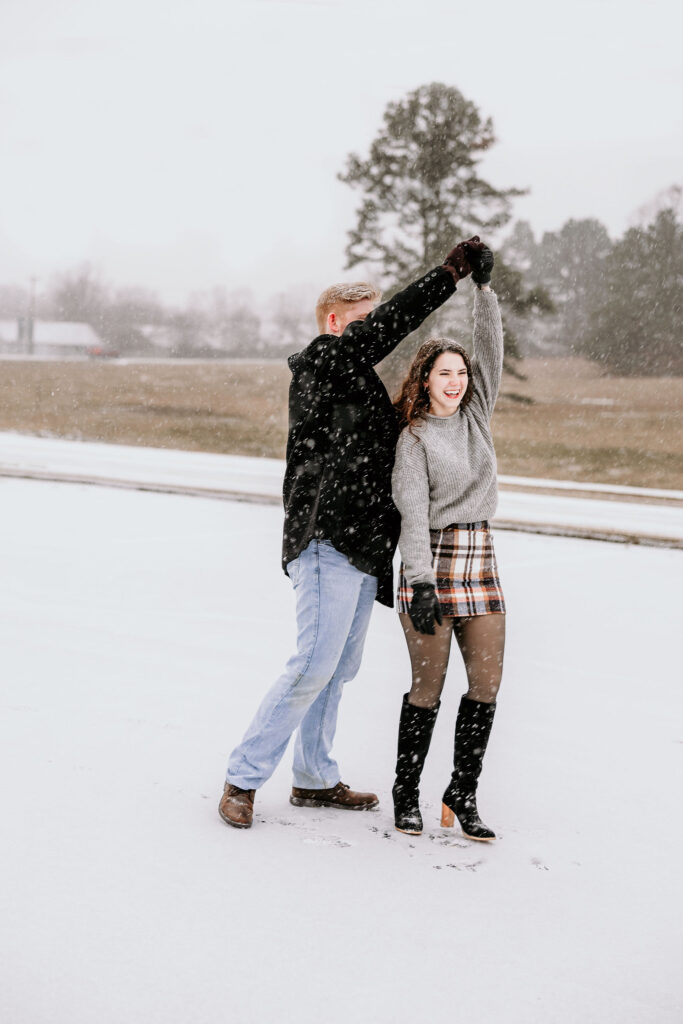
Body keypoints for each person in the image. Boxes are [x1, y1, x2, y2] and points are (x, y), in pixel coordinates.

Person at [219, 238, 487, 829]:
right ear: (336, 323)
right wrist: (447, 276)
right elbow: (388, 328)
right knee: (313, 663)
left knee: (338, 670)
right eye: (363, 322)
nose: (373, 331)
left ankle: (314, 778)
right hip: (325, 537)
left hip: (365, 550)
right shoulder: (321, 361)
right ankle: (242, 778)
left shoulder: (359, 384)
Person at [390, 245, 506, 841]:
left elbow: (490, 354)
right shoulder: (414, 438)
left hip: (479, 558)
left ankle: (462, 794)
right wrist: (420, 582)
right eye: (446, 373)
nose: (457, 382)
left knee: (486, 685)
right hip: (429, 563)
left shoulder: (476, 415)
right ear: (426, 378)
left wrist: (483, 294)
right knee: (427, 689)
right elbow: (411, 515)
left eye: (462, 375)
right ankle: (405, 793)